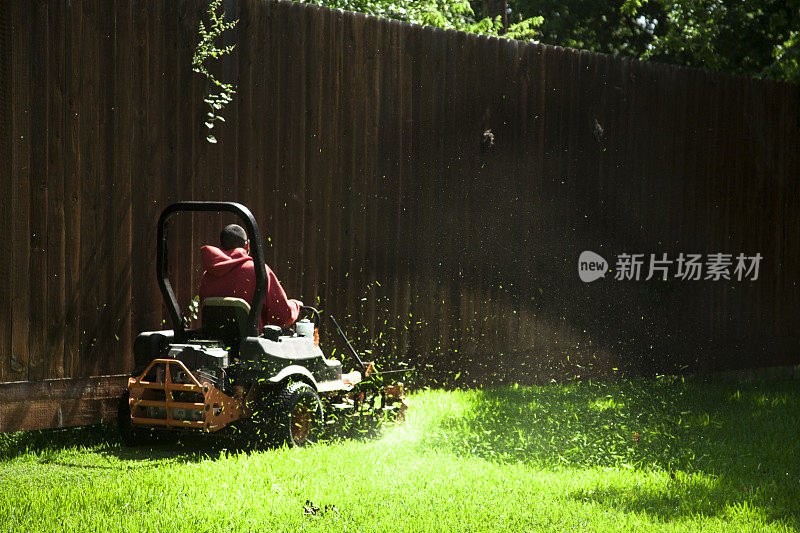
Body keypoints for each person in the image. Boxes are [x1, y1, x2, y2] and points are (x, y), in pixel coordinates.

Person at [199, 224, 302, 328]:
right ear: (247, 245)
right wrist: (295, 306)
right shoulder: (259, 271)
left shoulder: (208, 276)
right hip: (250, 343)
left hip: (216, 342)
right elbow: (282, 316)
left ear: (221, 247)